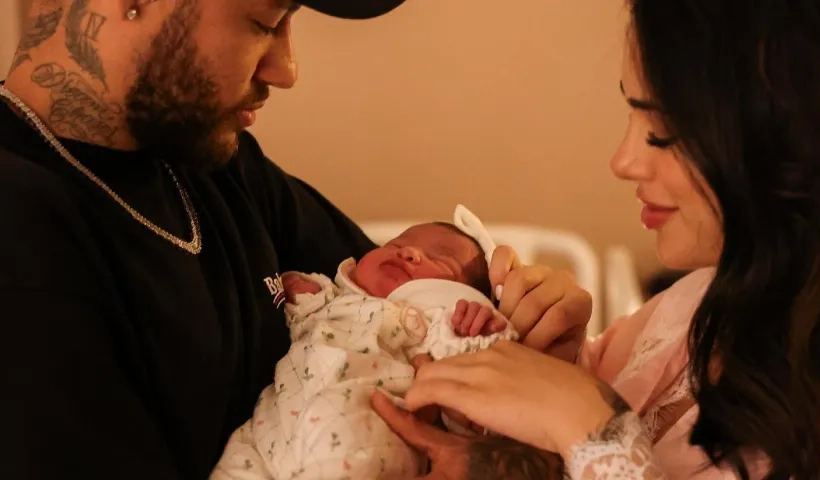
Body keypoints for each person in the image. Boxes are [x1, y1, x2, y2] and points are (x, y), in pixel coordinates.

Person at [0, 0, 594, 478]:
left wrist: (534, 331)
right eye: (264, 22)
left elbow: (400, 310)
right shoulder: (24, 230)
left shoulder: (216, 165)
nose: (286, 70)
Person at [372, 1, 820, 479]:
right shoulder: (700, 302)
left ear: (787, 127)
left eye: (661, 131)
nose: (623, 161)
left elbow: (589, 422)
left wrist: (590, 428)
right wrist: (562, 356)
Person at [212, 221, 518, 479]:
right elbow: (291, 313)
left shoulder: (437, 322)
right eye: (397, 243)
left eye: (441, 260)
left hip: (368, 418)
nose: (409, 252)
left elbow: (476, 397)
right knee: (235, 465)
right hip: (274, 424)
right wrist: (296, 289)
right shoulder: (328, 298)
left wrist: (480, 330)